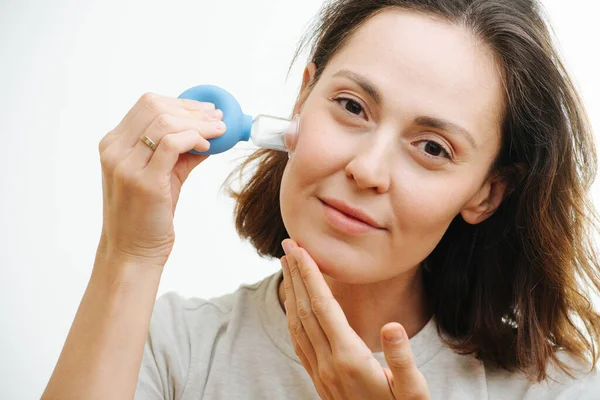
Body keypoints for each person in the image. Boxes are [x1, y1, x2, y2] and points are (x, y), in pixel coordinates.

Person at [42, 0, 600, 398]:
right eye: (353, 107)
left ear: (486, 193)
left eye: (433, 146)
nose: (367, 169)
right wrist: (128, 254)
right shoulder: (169, 345)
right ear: (303, 98)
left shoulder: (556, 385)